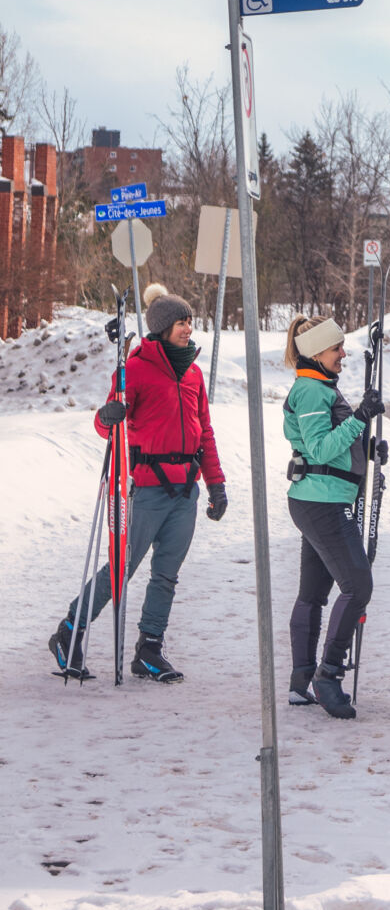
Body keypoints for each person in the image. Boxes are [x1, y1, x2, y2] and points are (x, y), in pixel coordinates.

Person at [48, 284, 227, 684]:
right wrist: (107, 414)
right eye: (182, 322)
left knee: (166, 575)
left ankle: (149, 649)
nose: (188, 329)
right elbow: (105, 425)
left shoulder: (194, 373)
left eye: (190, 322)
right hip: (148, 490)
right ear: (162, 328)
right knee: (121, 569)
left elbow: (206, 434)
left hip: (186, 492)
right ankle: (69, 631)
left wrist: (216, 484)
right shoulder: (136, 370)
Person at [282, 315, 385, 721]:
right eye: (336, 348)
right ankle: (327, 676)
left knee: (314, 591)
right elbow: (321, 449)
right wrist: (360, 417)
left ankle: (300, 681)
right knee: (357, 585)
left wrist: (368, 447)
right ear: (316, 353)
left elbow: (335, 446)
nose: (343, 354)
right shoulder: (310, 391)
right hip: (321, 503)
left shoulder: (322, 387)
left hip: (321, 498)